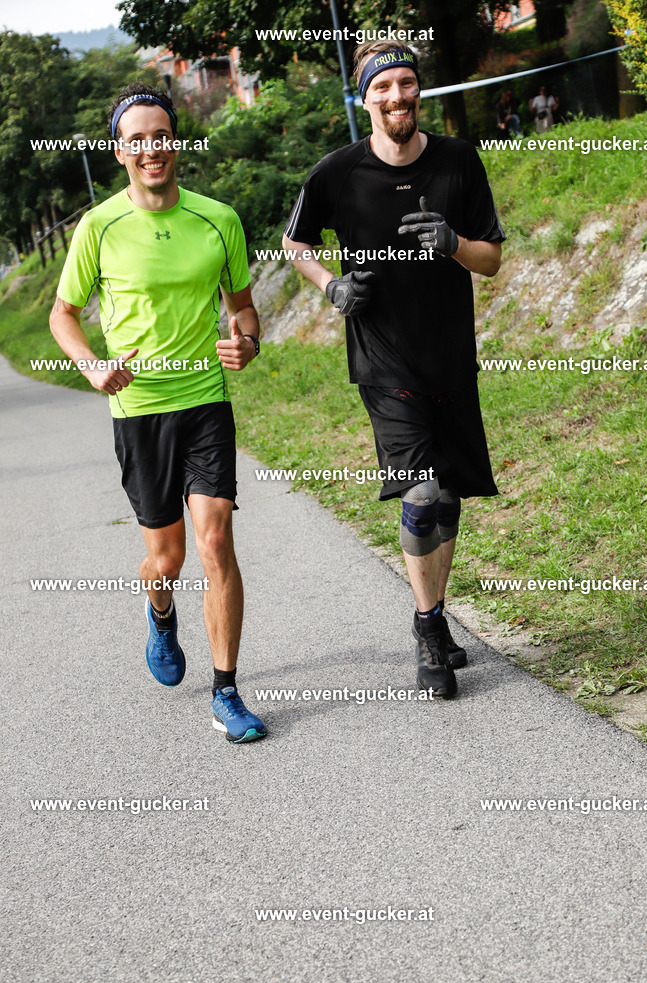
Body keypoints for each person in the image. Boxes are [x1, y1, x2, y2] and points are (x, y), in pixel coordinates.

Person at [282, 41, 505, 700]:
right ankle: (429, 626)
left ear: (418, 91)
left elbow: (491, 259)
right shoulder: (337, 173)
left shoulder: (460, 161)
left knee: (450, 494)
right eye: (383, 88)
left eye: (406, 84)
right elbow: (293, 244)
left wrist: (454, 243)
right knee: (421, 490)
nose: (397, 97)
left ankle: (433, 610)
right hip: (382, 360)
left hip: (450, 358)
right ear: (364, 98)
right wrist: (330, 288)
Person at [49, 83, 267, 744]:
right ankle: (160, 611)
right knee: (165, 561)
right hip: (139, 410)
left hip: (204, 400)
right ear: (121, 150)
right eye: (138, 138)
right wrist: (91, 365)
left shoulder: (218, 219)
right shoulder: (99, 227)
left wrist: (247, 341)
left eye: (162, 135)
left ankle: (226, 691)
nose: (152, 148)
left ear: (176, 143)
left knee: (215, 540)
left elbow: (244, 307)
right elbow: (63, 314)